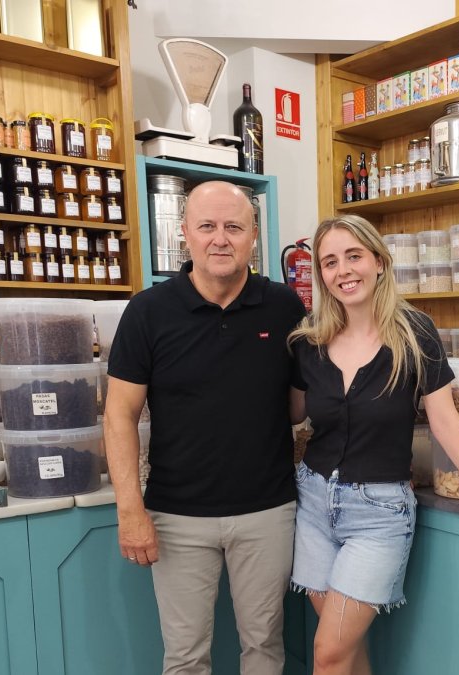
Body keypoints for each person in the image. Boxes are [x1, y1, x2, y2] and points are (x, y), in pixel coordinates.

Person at [287, 215, 459, 675]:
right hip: (312, 502)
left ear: (379, 262)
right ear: (321, 276)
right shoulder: (311, 339)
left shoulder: (414, 332)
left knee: (327, 654)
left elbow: (444, 419)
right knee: (343, 653)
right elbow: (292, 414)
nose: (343, 270)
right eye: (329, 262)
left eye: (353, 256)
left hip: (378, 512)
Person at [104, 181, 306, 675]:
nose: (221, 239)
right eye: (208, 227)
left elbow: (298, 408)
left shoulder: (284, 308)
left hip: (267, 511)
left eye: (234, 227)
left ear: (253, 236)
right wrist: (131, 511)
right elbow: (119, 415)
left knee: (264, 646)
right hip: (177, 517)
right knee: (186, 657)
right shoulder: (148, 312)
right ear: (185, 236)